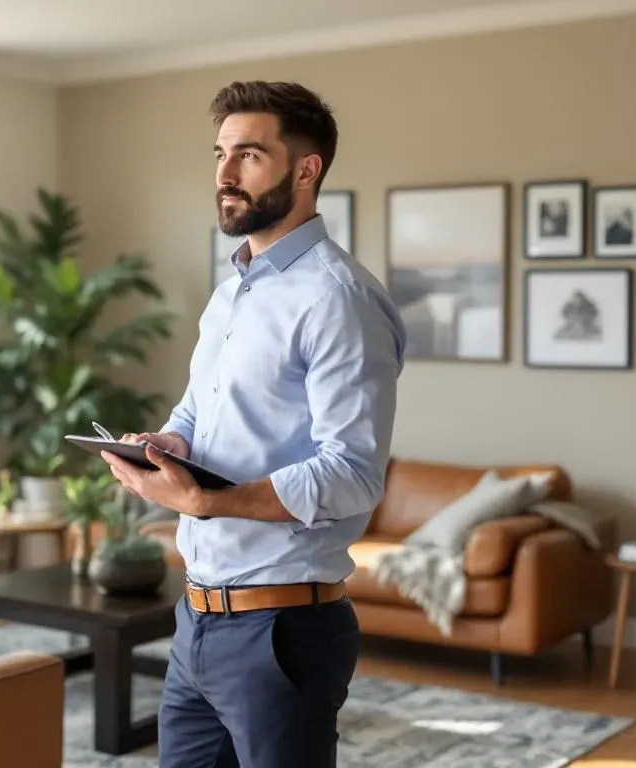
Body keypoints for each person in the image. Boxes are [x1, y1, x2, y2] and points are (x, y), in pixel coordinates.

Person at [100, 80, 406, 768]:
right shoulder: (232, 292)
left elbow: (354, 473)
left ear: (306, 169)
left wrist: (209, 501)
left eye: (248, 155)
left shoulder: (339, 299)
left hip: (283, 627)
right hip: (198, 619)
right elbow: (196, 411)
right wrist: (166, 446)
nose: (224, 175)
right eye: (219, 154)